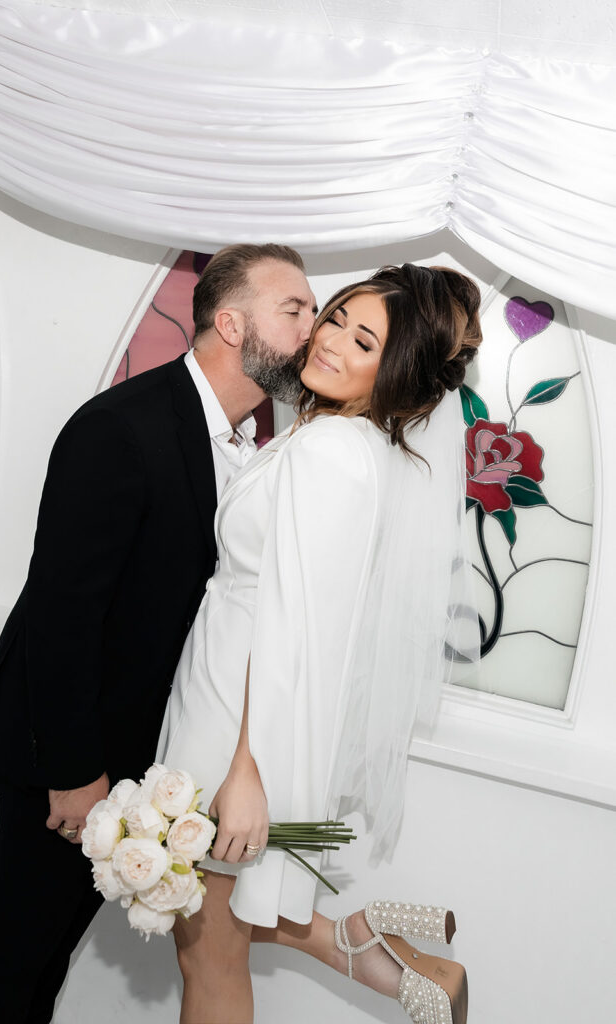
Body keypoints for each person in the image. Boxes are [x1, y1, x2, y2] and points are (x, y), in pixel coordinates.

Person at [0, 243, 317, 1024]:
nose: (311, 329)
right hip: (65, 753)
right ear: (229, 322)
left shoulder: (247, 446)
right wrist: (77, 773)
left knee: (42, 961)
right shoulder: (122, 427)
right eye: (295, 310)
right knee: (14, 958)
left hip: (130, 761)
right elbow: (62, 614)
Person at [160, 263, 482, 1024]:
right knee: (217, 930)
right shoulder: (346, 442)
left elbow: (292, 626)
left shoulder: (327, 453)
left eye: (361, 338)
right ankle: (361, 944)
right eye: (334, 318)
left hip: (236, 715)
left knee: (207, 956)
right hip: (237, 698)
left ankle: (360, 946)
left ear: (393, 370)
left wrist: (247, 772)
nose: (329, 339)